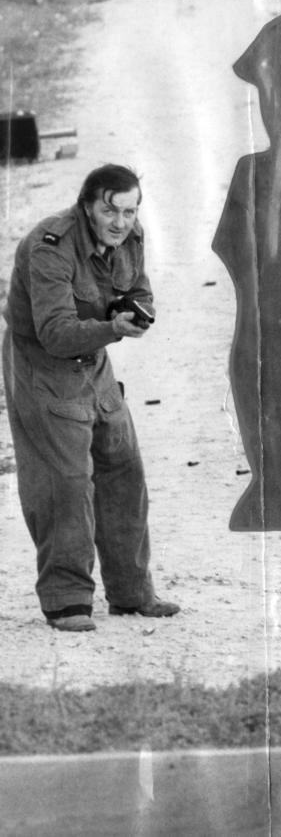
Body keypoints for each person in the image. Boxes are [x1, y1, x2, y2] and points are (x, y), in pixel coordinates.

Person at [2, 164, 180, 632]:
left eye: (129, 210)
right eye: (110, 210)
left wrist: (134, 313)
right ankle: (67, 601)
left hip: (96, 359)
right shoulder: (50, 247)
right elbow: (56, 334)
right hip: (44, 366)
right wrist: (112, 328)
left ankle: (131, 593)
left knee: (123, 469)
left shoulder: (131, 236)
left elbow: (139, 290)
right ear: (87, 206)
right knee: (65, 481)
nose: (121, 221)